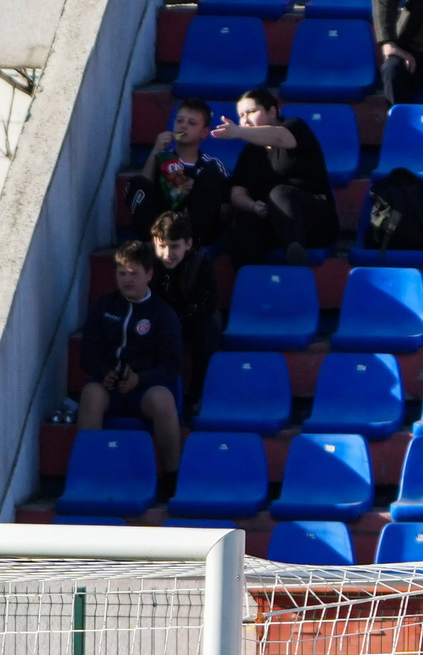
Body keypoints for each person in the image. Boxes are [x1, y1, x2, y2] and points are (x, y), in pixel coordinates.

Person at [75, 240, 186, 487]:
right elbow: (88, 354)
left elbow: (172, 365)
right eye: (122, 273)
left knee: (164, 400)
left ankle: (172, 478)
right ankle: (87, 474)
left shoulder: (162, 314)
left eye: (134, 273)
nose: (127, 279)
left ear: (149, 274)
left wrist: (140, 379)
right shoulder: (104, 306)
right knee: (91, 393)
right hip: (110, 386)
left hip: (145, 389)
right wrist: (104, 373)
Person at [215, 87, 340, 270]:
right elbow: (237, 192)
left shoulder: (295, 126)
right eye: (241, 115)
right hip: (272, 222)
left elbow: (280, 137)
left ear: (272, 111)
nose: (245, 120)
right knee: (244, 226)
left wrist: (239, 131)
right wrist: (252, 206)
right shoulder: (249, 153)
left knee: (280, 193)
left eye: (251, 112)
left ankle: (295, 259)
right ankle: (249, 287)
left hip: (314, 219)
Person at [122, 98, 226, 242]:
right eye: (179, 121)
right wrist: (157, 150)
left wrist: (197, 188)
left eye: (192, 123)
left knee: (210, 177)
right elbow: (142, 186)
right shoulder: (163, 158)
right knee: (135, 183)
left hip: (195, 229)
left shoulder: (212, 164)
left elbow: (226, 207)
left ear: (204, 132)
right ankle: (152, 245)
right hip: (162, 223)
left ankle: (189, 245)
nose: (183, 126)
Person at [149, 210, 221, 416]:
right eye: (162, 246)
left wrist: (180, 320)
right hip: (161, 318)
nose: (168, 253)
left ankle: (198, 395)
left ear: (188, 244)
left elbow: (207, 301)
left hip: (193, 316)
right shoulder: (150, 262)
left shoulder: (200, 260)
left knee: (208, 332)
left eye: (174, 246)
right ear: (155, 242)